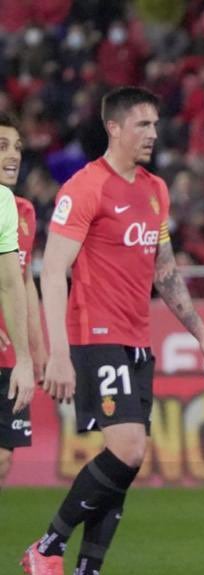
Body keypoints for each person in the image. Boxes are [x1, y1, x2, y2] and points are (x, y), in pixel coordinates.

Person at [23, 87, 204, 575]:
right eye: (142, 125)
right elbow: (52, 268)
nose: (153, 134)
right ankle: (47, 550)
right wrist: (58, 353)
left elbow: (165, 272)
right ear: (114, 128)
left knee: (129, 462)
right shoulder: (86, 186)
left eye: (156, 124)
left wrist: (201, 334)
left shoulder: (156, 189)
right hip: (96, 335)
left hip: (137, 338)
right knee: (128, 449)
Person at [0, 113, 46, 490]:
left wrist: (37, 344)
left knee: (3, 457)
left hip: (9, 354)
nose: (12, 156)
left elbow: (23, 280)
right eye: (2, 147)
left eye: (16, 147)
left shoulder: (23, 211)